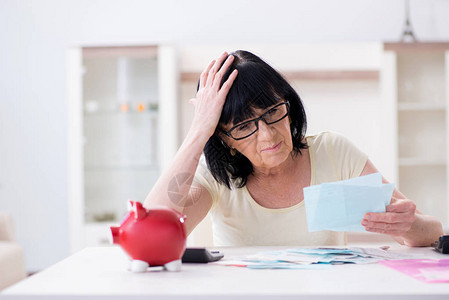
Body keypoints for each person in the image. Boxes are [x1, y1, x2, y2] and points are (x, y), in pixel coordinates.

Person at [144, 50, 443, 247]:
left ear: (288, 103)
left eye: (273, 112)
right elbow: (151, 232)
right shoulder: (215, 177)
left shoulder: (333, 151)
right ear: (225, 139)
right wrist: (199, 131)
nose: (268, 134)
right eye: (245, 126)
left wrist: (408, 225)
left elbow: (430, 232)